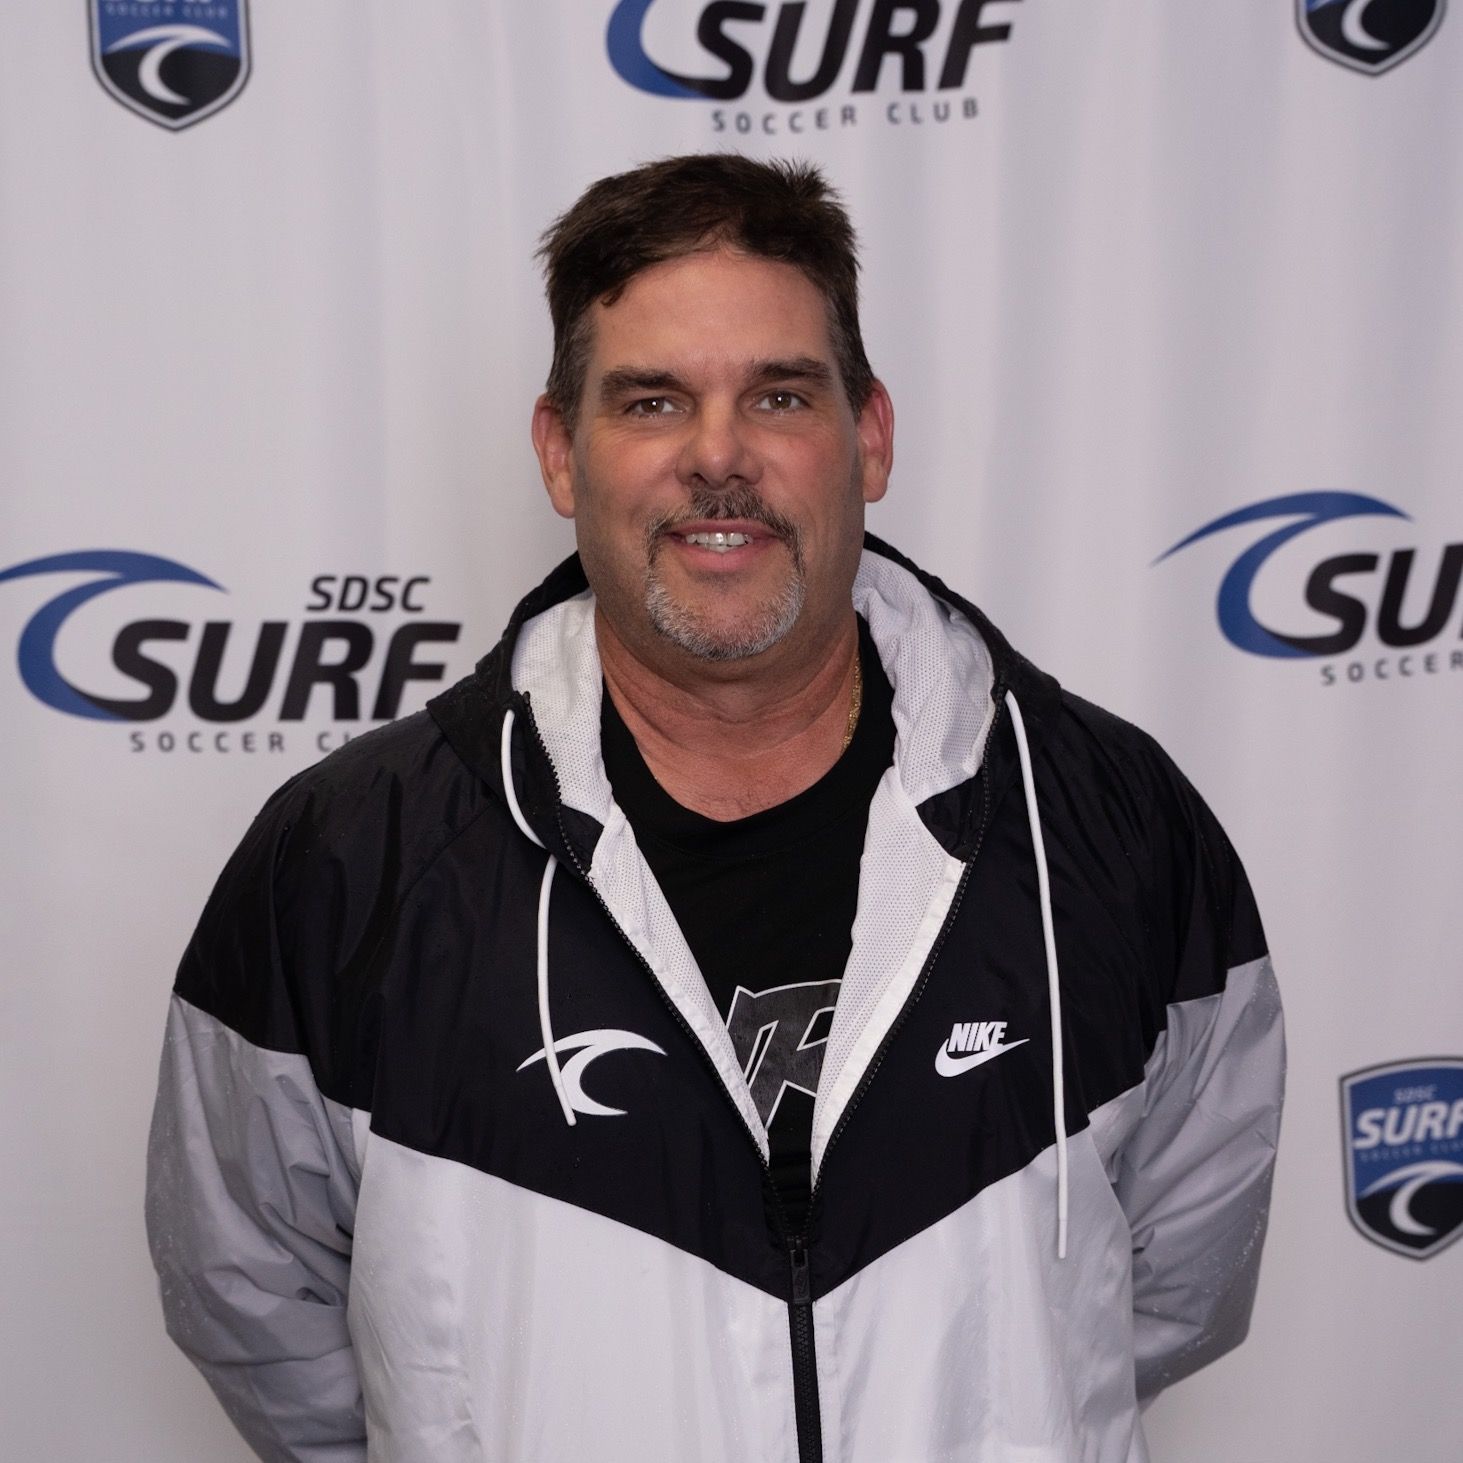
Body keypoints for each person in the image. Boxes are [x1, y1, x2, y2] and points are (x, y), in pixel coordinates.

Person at [147, 153, 1285, 1463]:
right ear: (559, 452)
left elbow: (1175, 1280)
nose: (718, 456)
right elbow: (252, 1298)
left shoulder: (1104, 821)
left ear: (870, 435)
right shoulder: (348, 861)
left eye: (779, 395)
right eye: (652, 401)